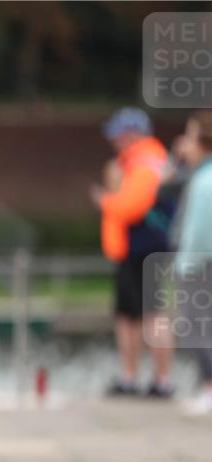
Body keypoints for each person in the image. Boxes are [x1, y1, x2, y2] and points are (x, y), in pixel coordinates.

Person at [90, 107, 174, 398]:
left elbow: (132, 207)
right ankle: (132, 377)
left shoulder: (145, 162)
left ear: (131, 134)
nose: (113, 140)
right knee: (129, 315)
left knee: (151, 315)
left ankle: (160, 380)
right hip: (135, 250)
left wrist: (106, 201)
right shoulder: (135, 162)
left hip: (144, 249)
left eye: (118, 134)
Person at [173, 111, 212, 416]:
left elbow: (197, 232)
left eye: (189, 135)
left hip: (200, 265)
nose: (183, 143)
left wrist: (185, 264)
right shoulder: (199, 175)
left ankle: (208, 387)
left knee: (199, 326)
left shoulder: (204, 181)